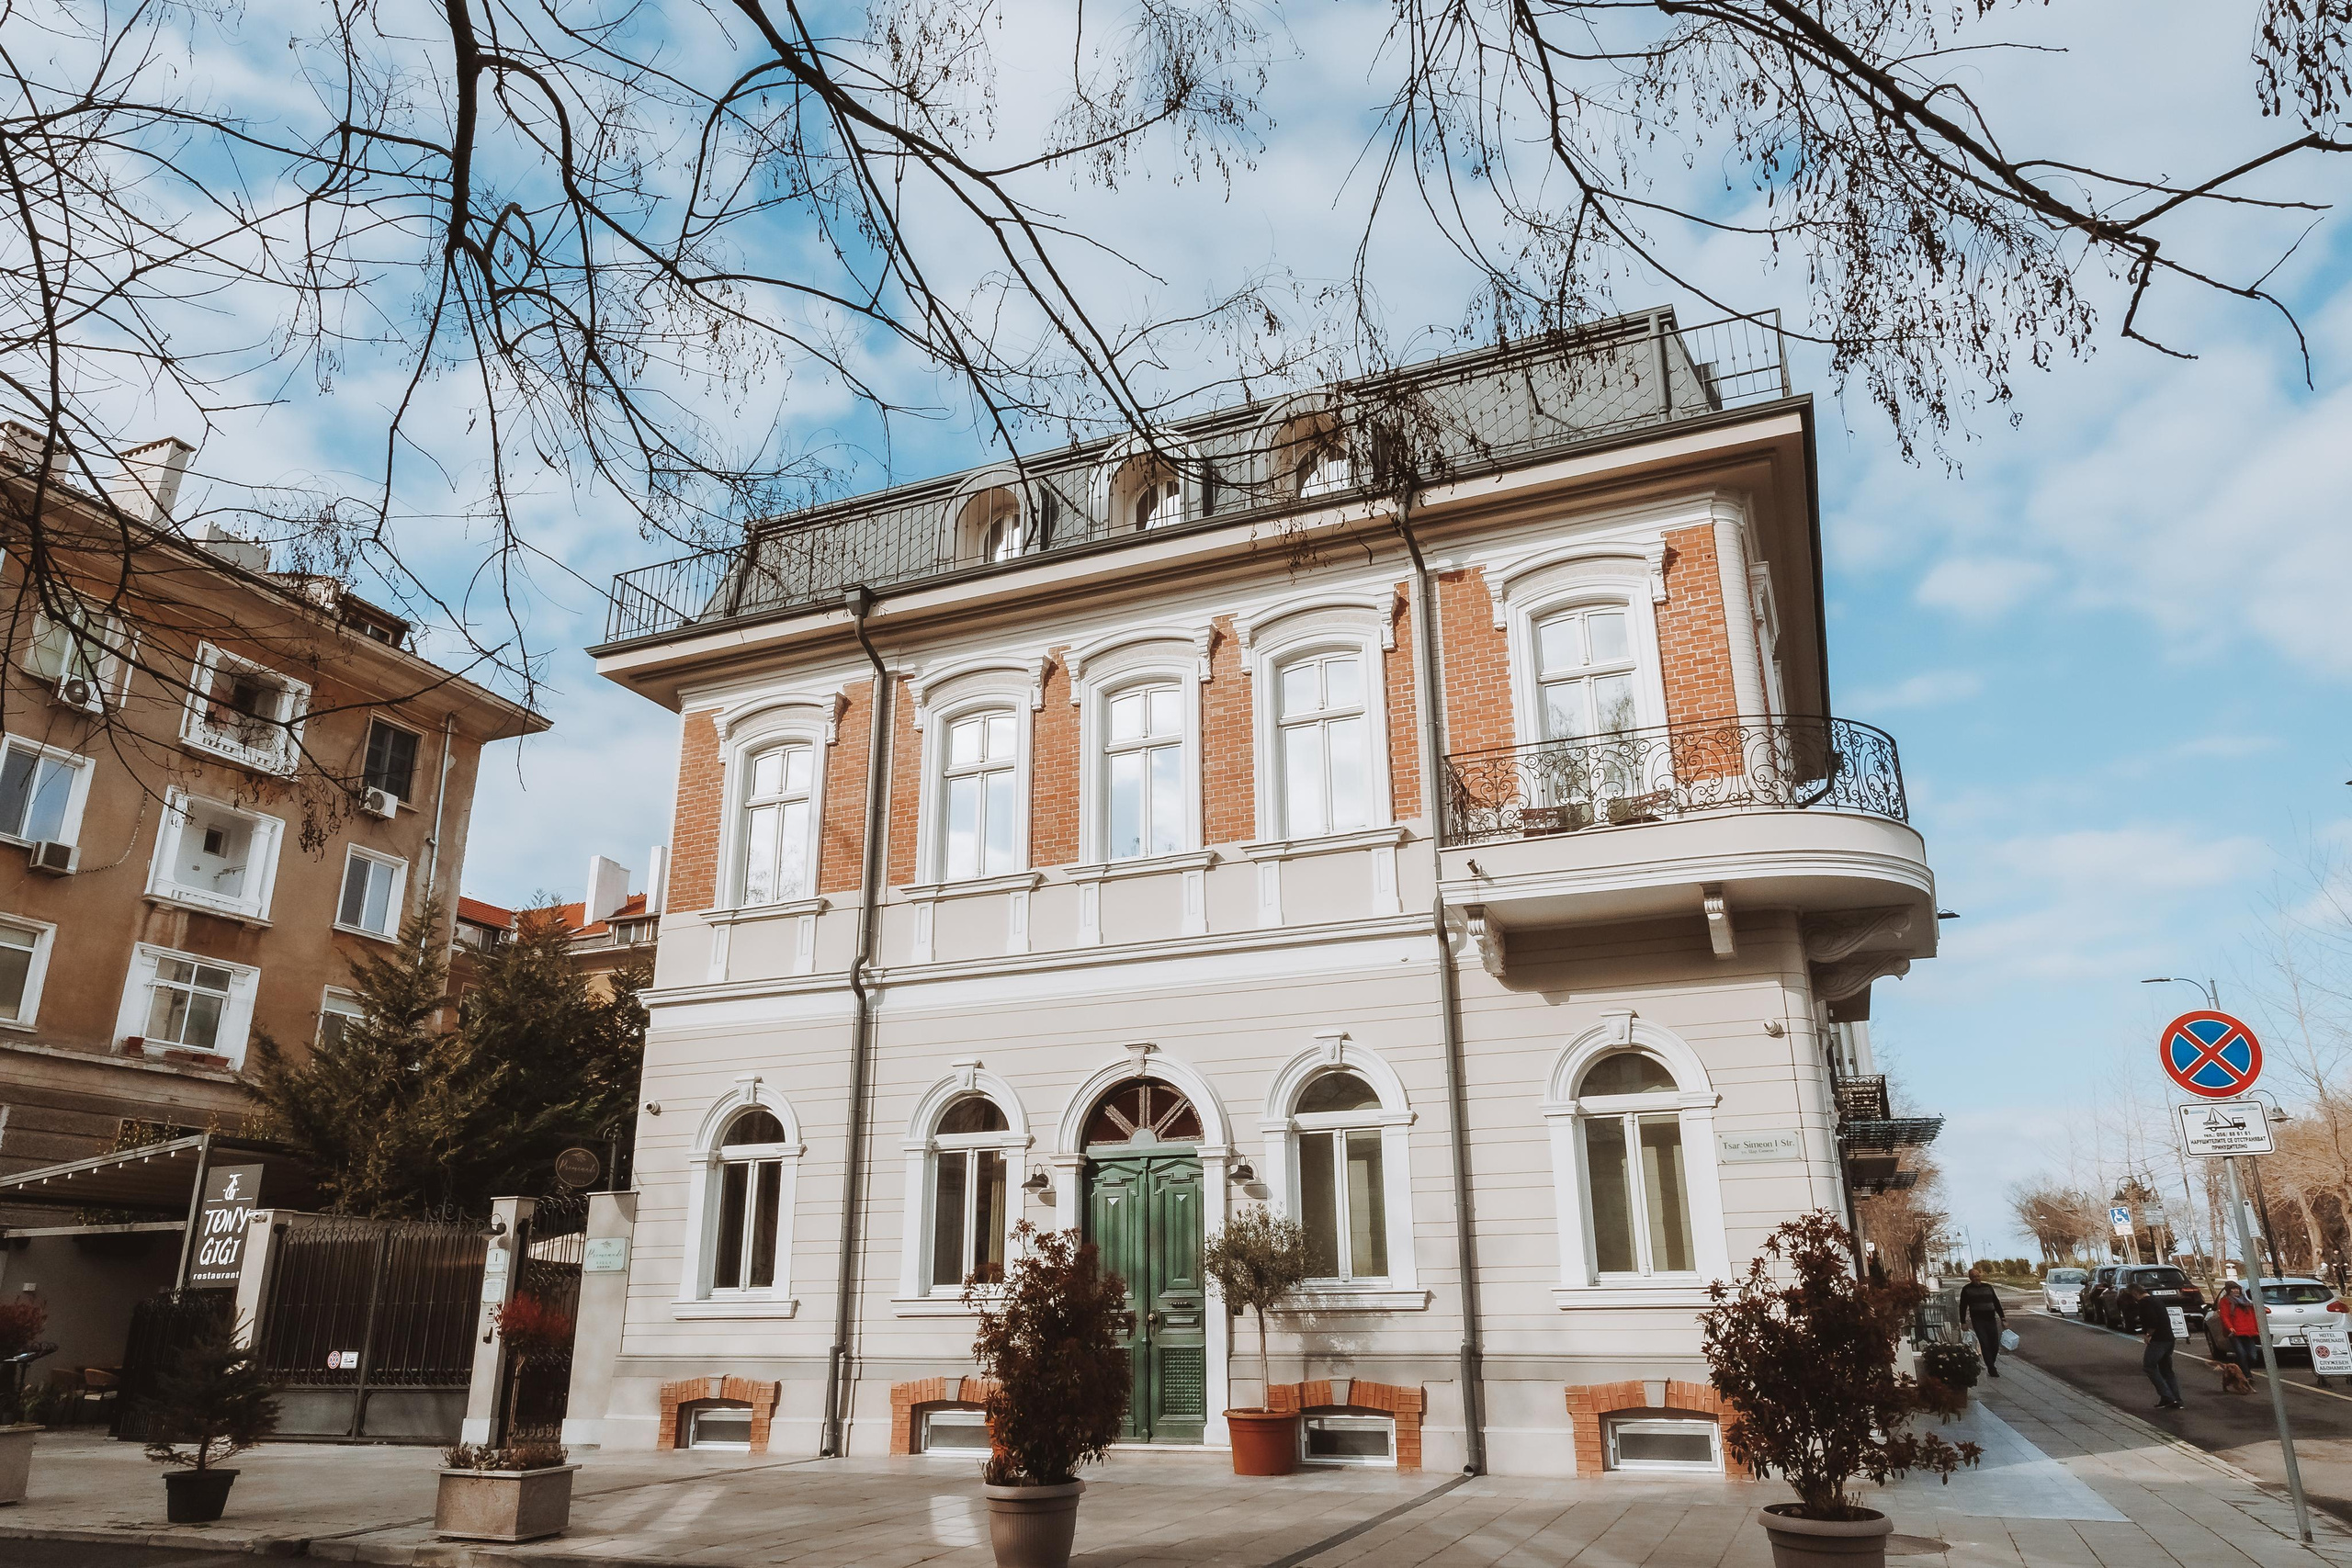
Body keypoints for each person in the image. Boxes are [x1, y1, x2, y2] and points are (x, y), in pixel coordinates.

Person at [2133, 1281, 2184, 1410]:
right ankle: (2176, 1399)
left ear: (2135, 1293)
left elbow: (2152, 1320)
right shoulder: (2156, 1300)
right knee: (2166, 1369)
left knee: (2149, 1366)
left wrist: (2149, 1334)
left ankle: (2168, 1397)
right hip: (2169, 1338)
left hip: (2158, 1340)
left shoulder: (2145, 1303)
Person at [1958, 1265, 2007, 1378]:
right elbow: (1963, 1307)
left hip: (1991, 1319)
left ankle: (1991, 1363)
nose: (1976, 1278)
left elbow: (1996, 1302)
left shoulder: (1988, 1287)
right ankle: (1991, 1368)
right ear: (1970, 1278)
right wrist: (1963, 1322)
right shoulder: (1966, 1289)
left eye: (1978, 1276)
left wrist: (2003, 1318)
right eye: (1974, 1276)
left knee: (1994, 1344)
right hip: (1978, 1321)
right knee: (1984, 1343)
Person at [2215, 1280, 2262, 1380]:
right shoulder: (2226, 1301)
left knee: (2253, 1356)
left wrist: (2257, 1329)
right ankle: (2247, 1375)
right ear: (2229, 1291)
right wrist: (2230, 1327)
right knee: (2241, 1354)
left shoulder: (2246, 1301)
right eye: (2233, 1289)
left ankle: (2237, 1370)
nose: (2236, 1291)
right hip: (2235, 1333)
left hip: (2249, 1332)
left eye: (2237, 1289)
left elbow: (2253, 1316)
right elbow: (2224, 1316)